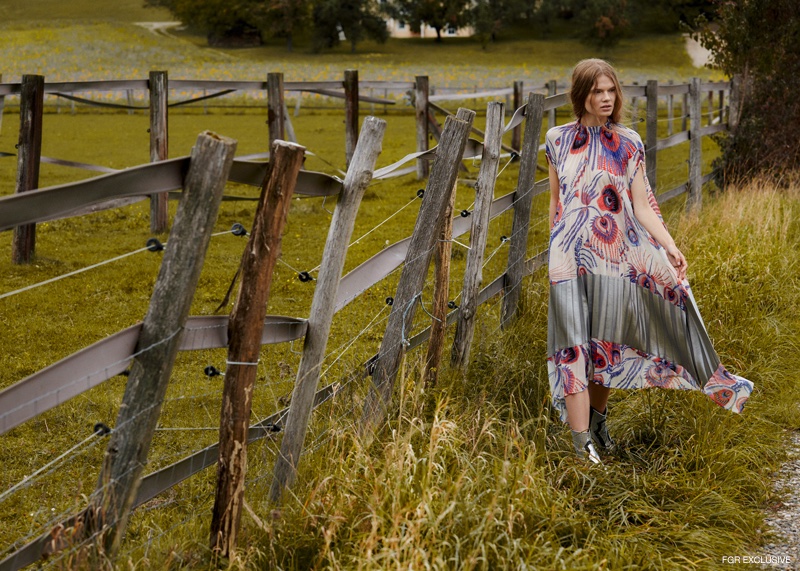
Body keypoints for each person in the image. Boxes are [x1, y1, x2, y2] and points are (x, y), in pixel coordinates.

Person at [544, 59, 753, 463]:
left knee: (605, 343)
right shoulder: (556, 139)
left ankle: (599, 424)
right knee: (571, 347)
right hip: (567, 261)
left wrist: (670, 246)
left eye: (610, 91)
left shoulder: (628, 143)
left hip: (614, 258)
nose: (605, 99)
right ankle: (581, 445)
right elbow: (556, 201)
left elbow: (641, 206)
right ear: (580, 94)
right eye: (596, 92)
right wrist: (554, 245)